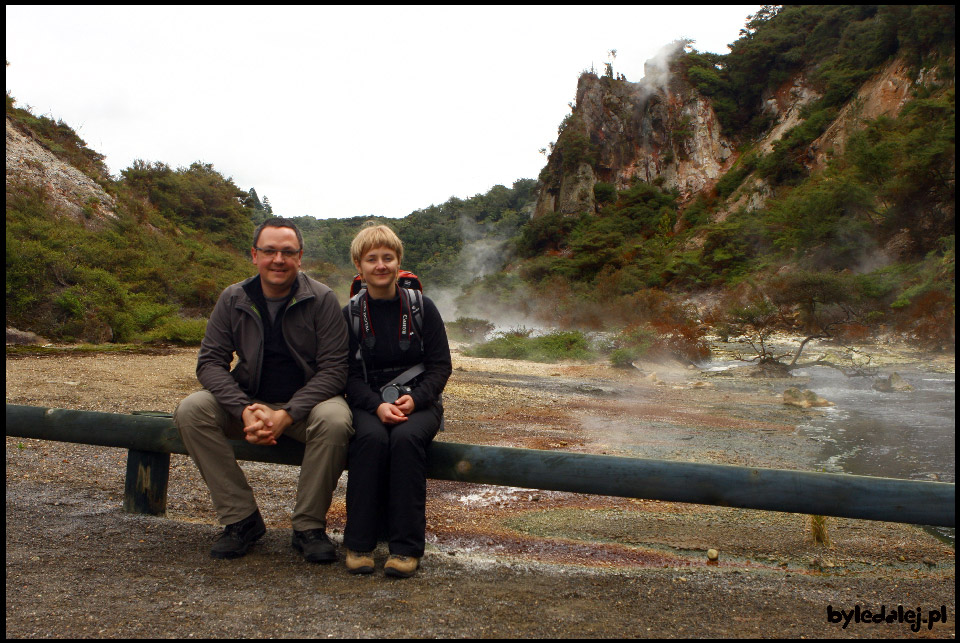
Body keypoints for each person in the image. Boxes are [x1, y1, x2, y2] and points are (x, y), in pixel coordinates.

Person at [174, 217, 354, 563]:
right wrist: (244, 409)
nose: (278, 260)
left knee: (335, 419)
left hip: (306, 407)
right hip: (250, 404)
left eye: (288, 252)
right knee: (191, 410)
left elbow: (335, 370)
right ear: (254, 255)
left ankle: (308, 527)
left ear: (300, 257)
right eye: (269, 251)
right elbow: (210, 363)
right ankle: (241, 519)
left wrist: (287, 414)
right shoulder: (234, 298)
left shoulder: (321, 299)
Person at [341, 224, 452, 577]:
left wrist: (416, 400)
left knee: (405, 440)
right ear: (359, 266)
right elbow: (346, 374)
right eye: (371, 259)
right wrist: (376, 405)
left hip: (418, 402)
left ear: (399, 262)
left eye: (387, 257)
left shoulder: (422, 308)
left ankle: (405, 548)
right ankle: (359, 544)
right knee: (369, 439)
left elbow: (440, 366)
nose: (380, 265)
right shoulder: (352, 314)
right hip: (369, 401)